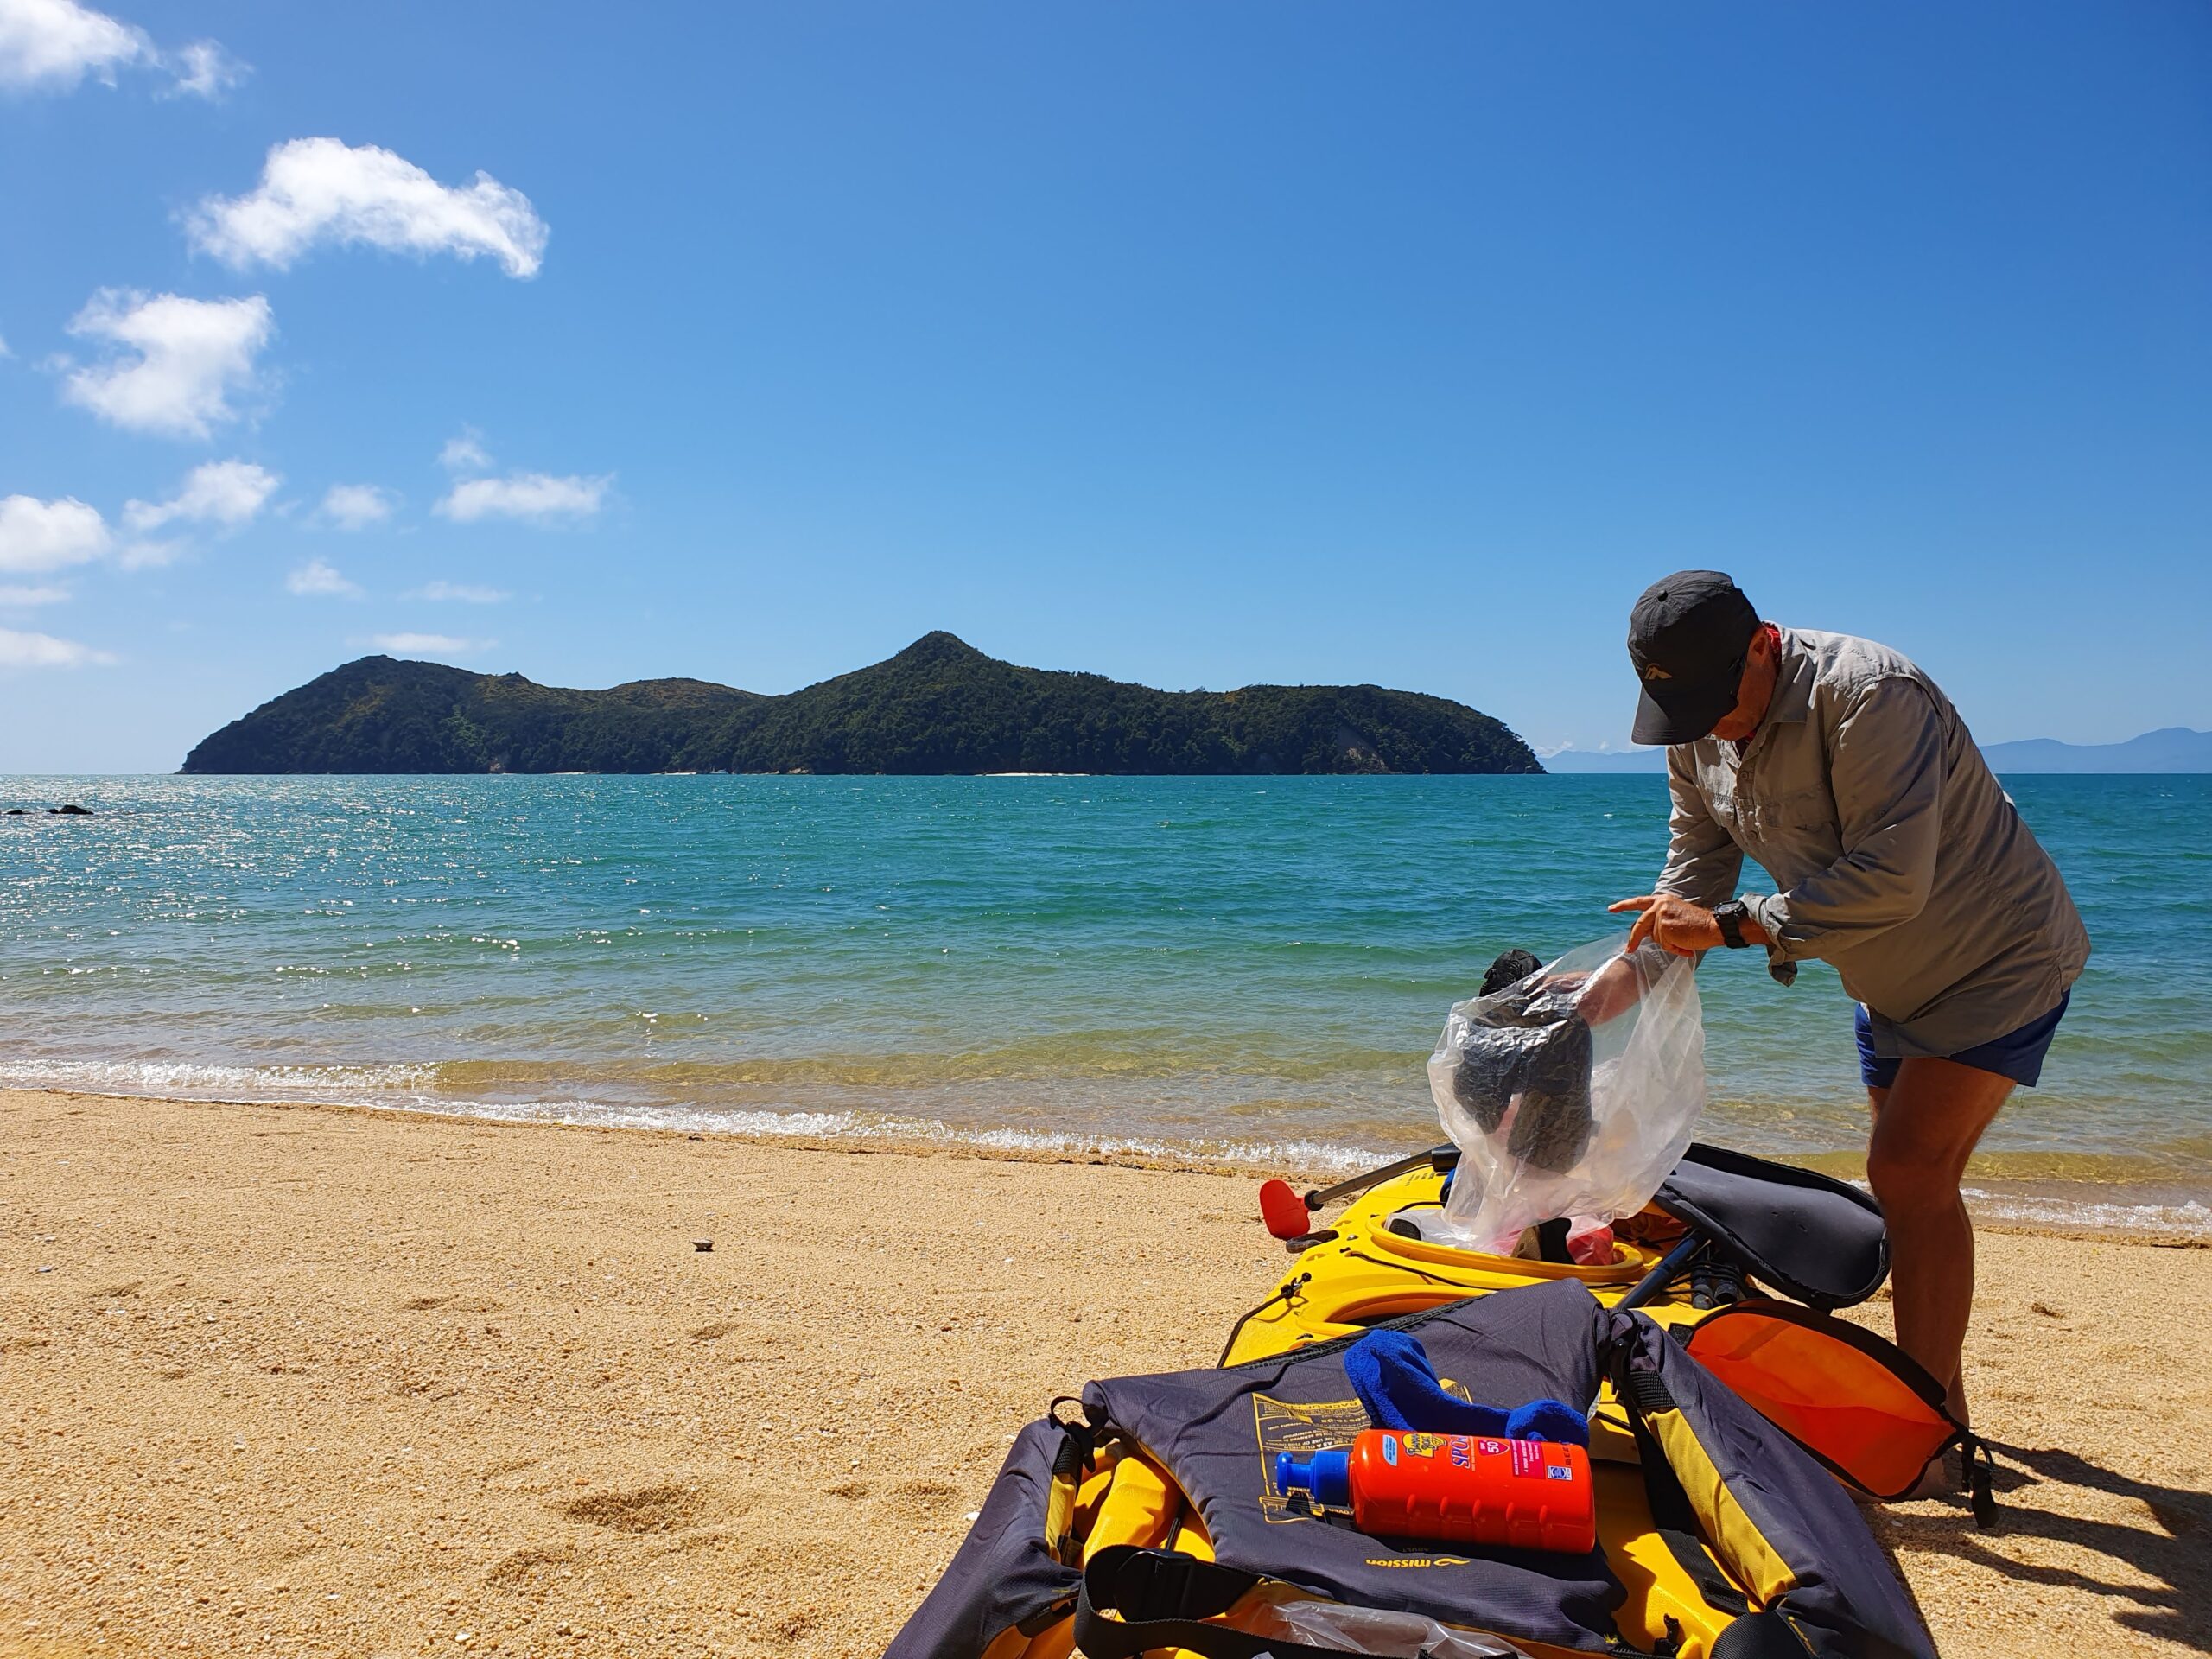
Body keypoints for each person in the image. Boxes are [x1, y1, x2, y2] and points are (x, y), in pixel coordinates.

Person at [1582, 571, 2088, 1464]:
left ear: (1762, 644)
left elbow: (1894, 877)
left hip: (1996, 955)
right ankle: (1939, 1414)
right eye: (1684, 711)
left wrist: (1735, 928)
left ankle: (1918, 1440)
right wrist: (1610, 991)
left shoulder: (1868, 695)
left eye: (1717, 701)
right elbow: (1694, 867)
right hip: (1882, 978)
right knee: (1911, 1186)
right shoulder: (1695, 730)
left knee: (1905, 1170)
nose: (1711, 728)